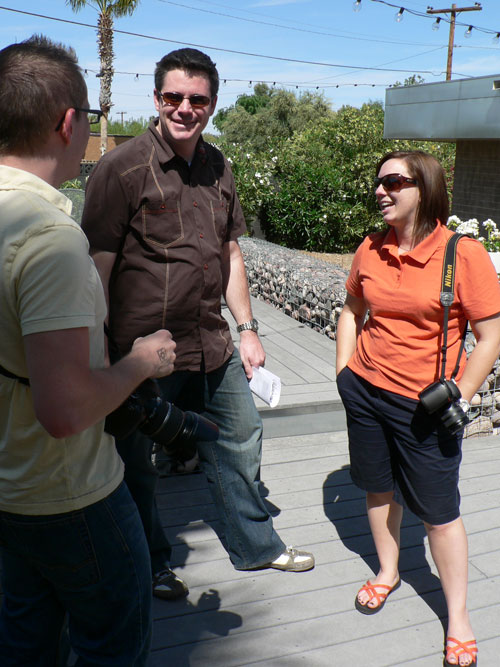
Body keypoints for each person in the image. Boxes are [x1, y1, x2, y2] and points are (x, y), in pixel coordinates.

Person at [81, 47, 314, 600]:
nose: (185, 108)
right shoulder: (123, 167)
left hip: (211, 342)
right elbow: (98, 265)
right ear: (157, 98)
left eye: (197, 99)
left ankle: (255, 545)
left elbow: (232, 252)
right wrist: (103, 352)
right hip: (143, 351)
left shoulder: (218, 166)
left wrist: (249, 328)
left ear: (212, 103)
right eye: (174, 97)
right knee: (136, 463)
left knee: (239, 438)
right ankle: (151, 562)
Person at [0, 35, 177, 665]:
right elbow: (66, 409)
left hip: (9, 492)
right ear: (68, 121)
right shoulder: (49, 237)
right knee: (113, 644)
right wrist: (143, 362)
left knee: (25, 642)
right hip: (66, 493)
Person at [336, 150, 500, 666]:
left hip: (426, 408)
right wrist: (344, 370)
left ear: (423, 188)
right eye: (378, 182)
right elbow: (352, 309)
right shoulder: (371, 246)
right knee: (377, 487)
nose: (381, 190)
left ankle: (459, 617)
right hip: (365, 391)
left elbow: (491, 334)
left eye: (394, 182)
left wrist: (463, 396)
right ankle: (388, 571)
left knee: (439, 512)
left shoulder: (462, 253)